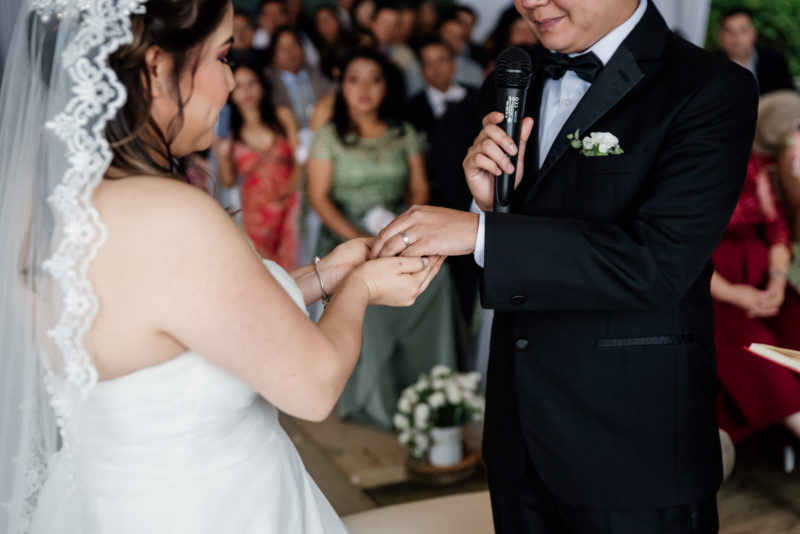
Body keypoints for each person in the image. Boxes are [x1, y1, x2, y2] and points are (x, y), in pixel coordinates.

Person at [0, 0, 444, 532]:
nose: (231, 81)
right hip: (213, 508)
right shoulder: (172, 215)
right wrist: (363, 290)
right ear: (158, 68)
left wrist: (327, 274)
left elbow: (186, 322)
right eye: (223, 55)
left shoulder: (38, 205)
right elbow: (315, 384)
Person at [371, 0, 759, 532]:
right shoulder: (513, 80)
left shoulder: (710, 87)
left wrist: (485, 234)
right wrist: (489, 207)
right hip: (518, 439)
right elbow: (507, 261)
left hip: (630, 444)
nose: (530, 1)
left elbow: (658, 264)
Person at [307, 49, 460, 428]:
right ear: (341, 86)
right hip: (345, 232)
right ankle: (375, 398)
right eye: (354, 78)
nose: (364, 89)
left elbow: (419, 189)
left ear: (385, 87)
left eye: (374, 79)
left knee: (437, 281)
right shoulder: (328, 136)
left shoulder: (402, 132)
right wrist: (362, 239)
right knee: (367, 292)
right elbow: (319, 198)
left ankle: (433, 389)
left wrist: (403, 233)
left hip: (396, 227)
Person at [711, 148, 800, 449]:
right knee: (755, 349)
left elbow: (777, 230)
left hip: (765, 282)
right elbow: (676, 247)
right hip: (710, 285)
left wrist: (776, 280)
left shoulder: (750, 160)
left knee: (794, 326)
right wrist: (732, 293)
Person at [405, 37, 481, 333]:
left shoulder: (478, 99)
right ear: (421, 70)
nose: (436, 68)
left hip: (473, 204)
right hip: (431, 203)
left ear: (454, 63)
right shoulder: (410, 110)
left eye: (442, 60)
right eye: (428, 63)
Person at [215, 63, 301, 268]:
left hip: (290, 205)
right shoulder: (229, 133)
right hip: (257, 214)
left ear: (262, 86)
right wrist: (221, 154)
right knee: (267, 271)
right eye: (239, 86)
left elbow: (301, 159)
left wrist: (290, 194)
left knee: (298, 266)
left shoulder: (282, 116)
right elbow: (227, 181)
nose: (246, 91)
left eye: (252, 83)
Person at [264, 26, 335, 128]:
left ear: (303, 49)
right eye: (283, 48)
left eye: (293, 45)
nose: (289, 52)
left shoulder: (321, 72)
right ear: (274, 56)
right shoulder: (267, 81)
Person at [718, 6, 796, 95]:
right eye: (729, 31)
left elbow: (789, 97)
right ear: (720, 35)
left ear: (753, 33)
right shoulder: (711, 64)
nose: (736, 37)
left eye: (743, 31)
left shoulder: (775, 61)